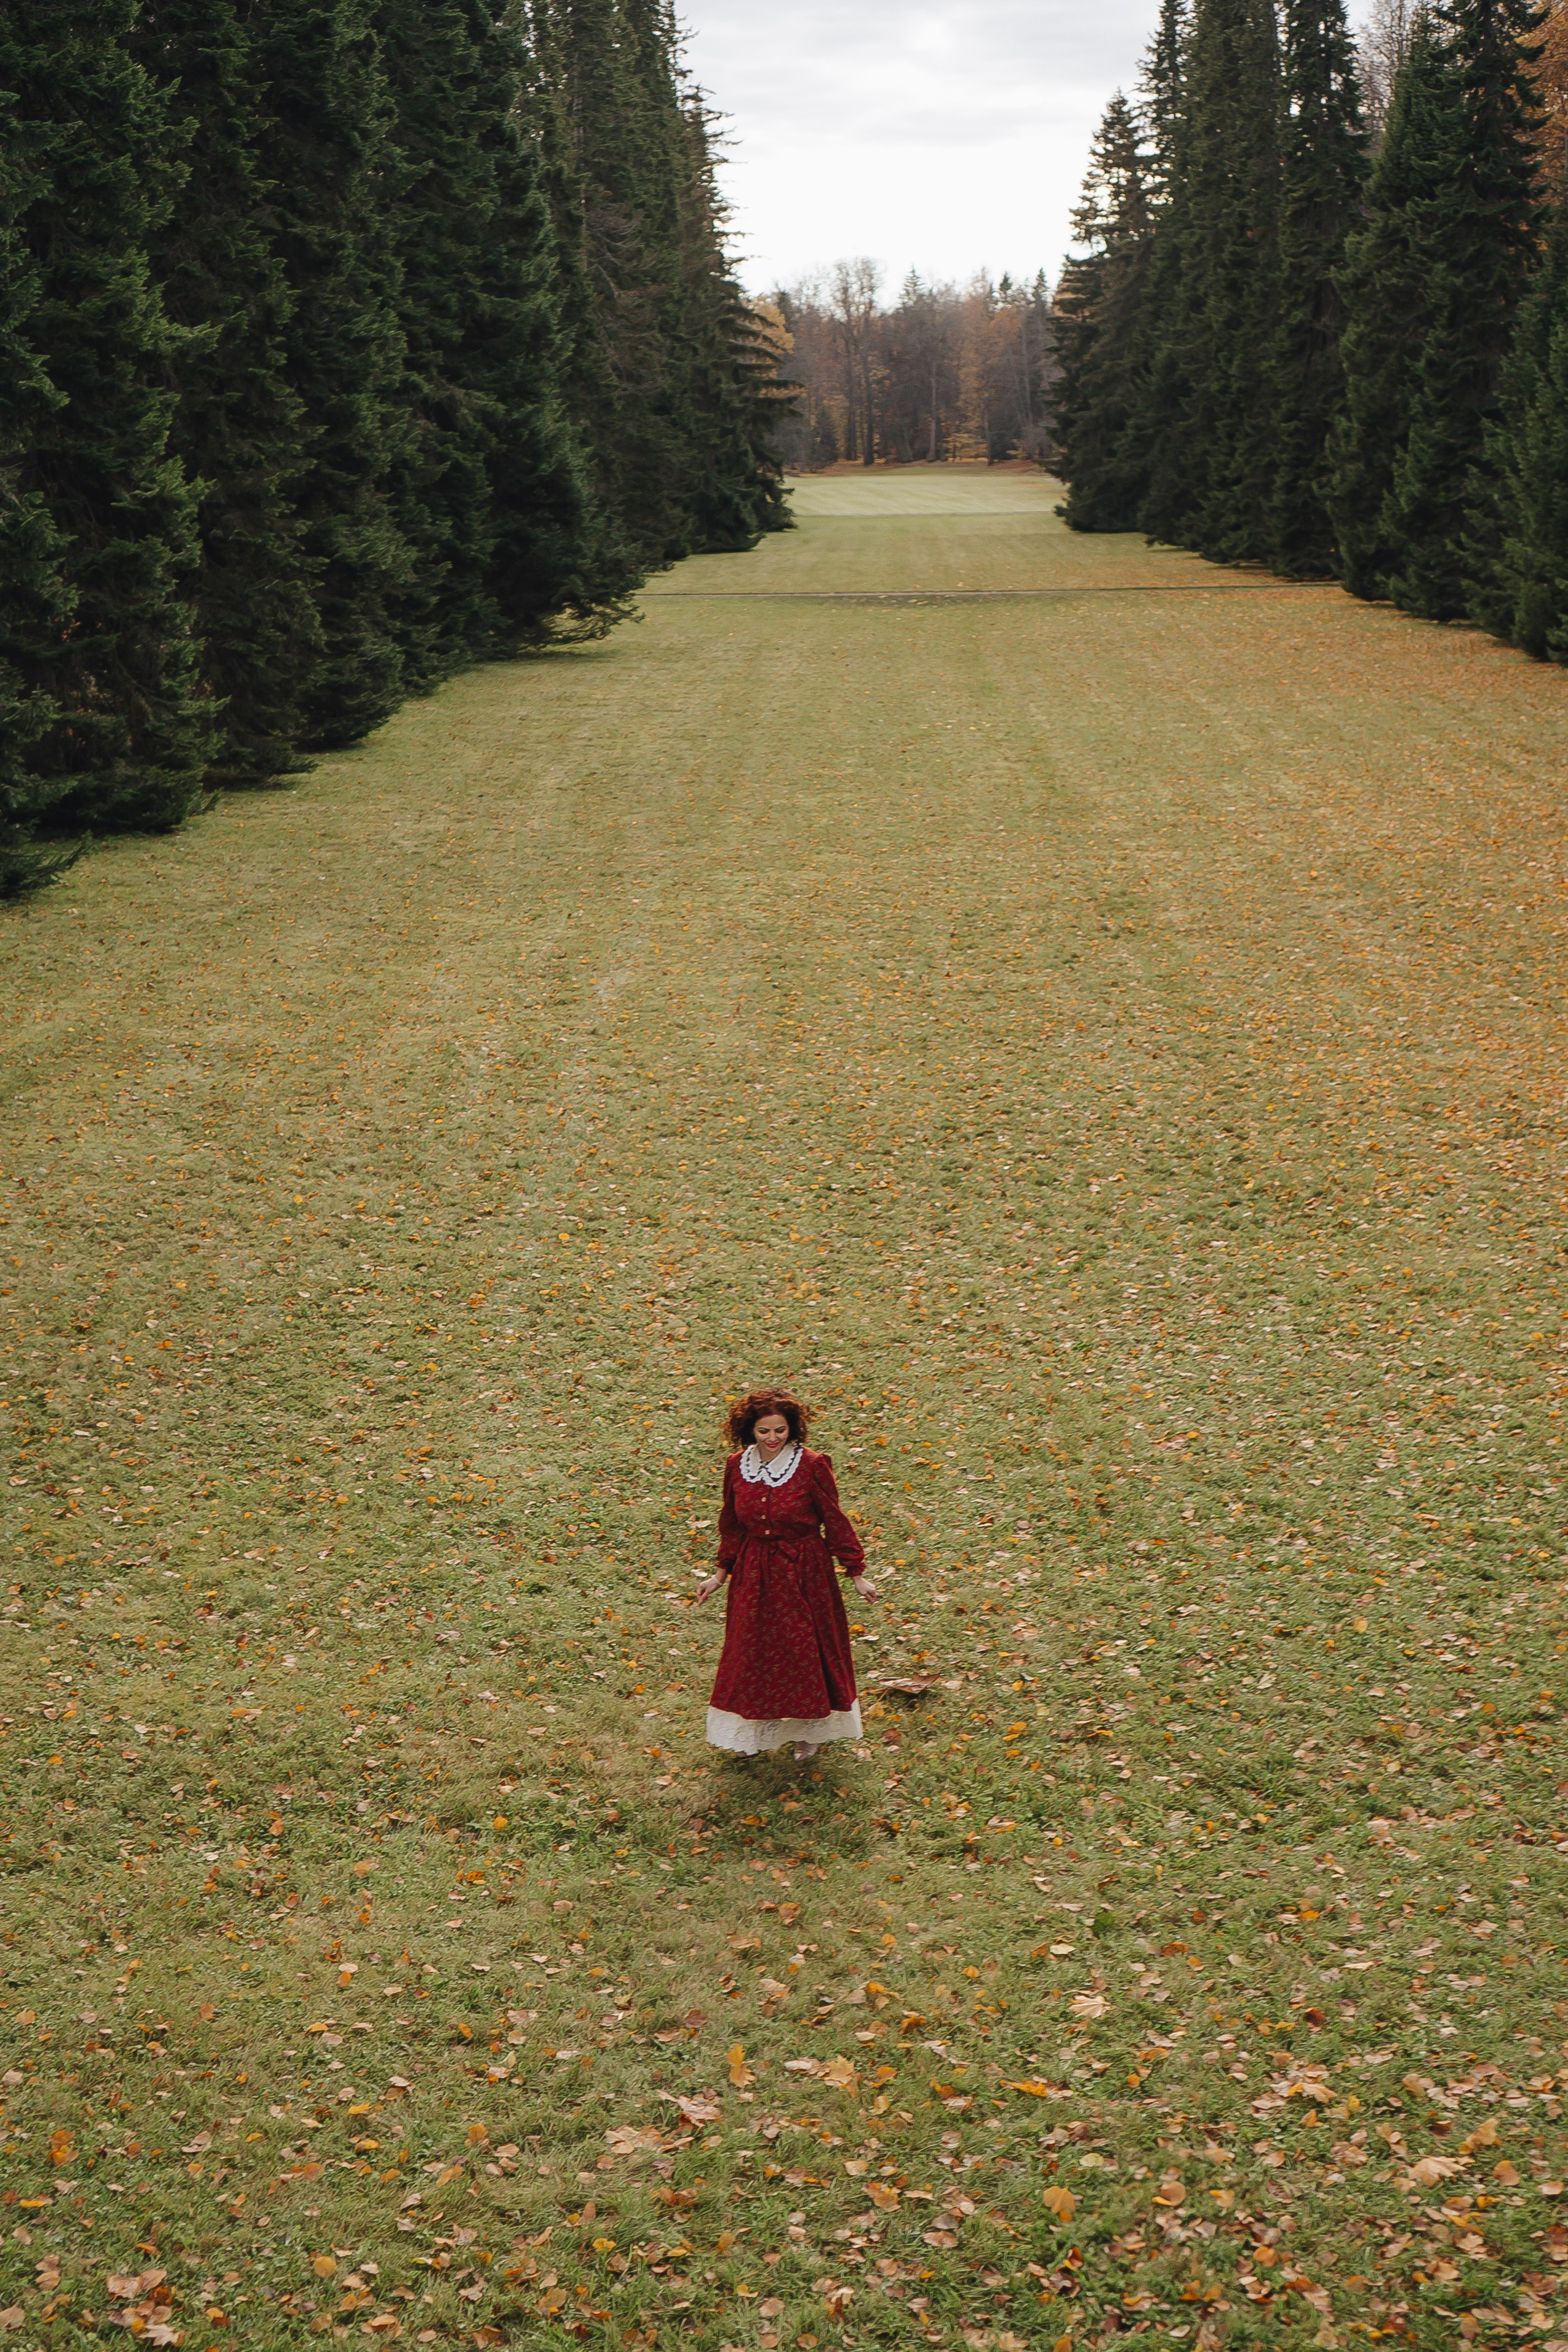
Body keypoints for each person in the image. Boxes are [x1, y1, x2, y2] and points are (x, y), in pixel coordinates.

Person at [696, 1387, 878, 1762]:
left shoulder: (812, 1465)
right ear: (750, 1431)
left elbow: (835, 1520)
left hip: (804, 1571)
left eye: (780, 1430)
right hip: (754, 1572)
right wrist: (718, 1575)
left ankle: (807, 1731)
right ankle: (752, 1733)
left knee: (803, 1653)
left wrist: (856, 1572)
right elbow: (731, 1525)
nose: (773, 1438)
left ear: (792, 1429)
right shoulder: (737, 1465)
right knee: (752, 1651)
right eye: (764, 1431)